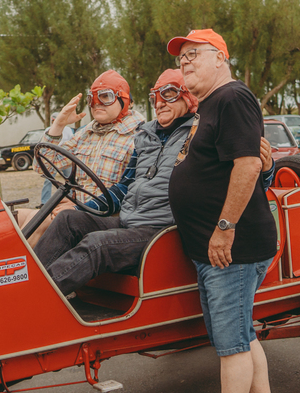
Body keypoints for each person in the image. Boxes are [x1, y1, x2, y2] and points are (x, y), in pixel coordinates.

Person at [35, 69, 275, 296]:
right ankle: (26, 285)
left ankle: (35, 298)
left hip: (163, 230)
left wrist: (266, 170)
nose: (159, 103)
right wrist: (84, 207)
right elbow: (125, 186)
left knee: (97, 245)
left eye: (169, 95)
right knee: (68, 220)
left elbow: (240, 179)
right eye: (155, 97)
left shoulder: (200, 133)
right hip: (129, 220)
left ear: (188, 97)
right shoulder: (145, 135)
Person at [165, 28, 280, 393]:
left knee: (231, 344)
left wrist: (224, 229)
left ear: (221, 57)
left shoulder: (232, 97)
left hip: (233, 248)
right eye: (182, 57)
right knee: (240, 333)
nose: (186, 62)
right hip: (213, 248)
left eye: (194, 54)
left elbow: (248, 164)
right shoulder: (209, 104)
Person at [16, 70, 145, 238]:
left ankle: (23, 256)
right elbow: (42, 167)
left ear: (123, 99)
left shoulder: (139, 136)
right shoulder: (85, 133)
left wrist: (77, 209)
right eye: (92, 98)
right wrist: (59, 124)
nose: (97, 103)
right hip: (76, 209)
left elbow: (130, 192)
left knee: (41, 222)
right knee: (16, 216)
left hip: (108, 216)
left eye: (106, 96)